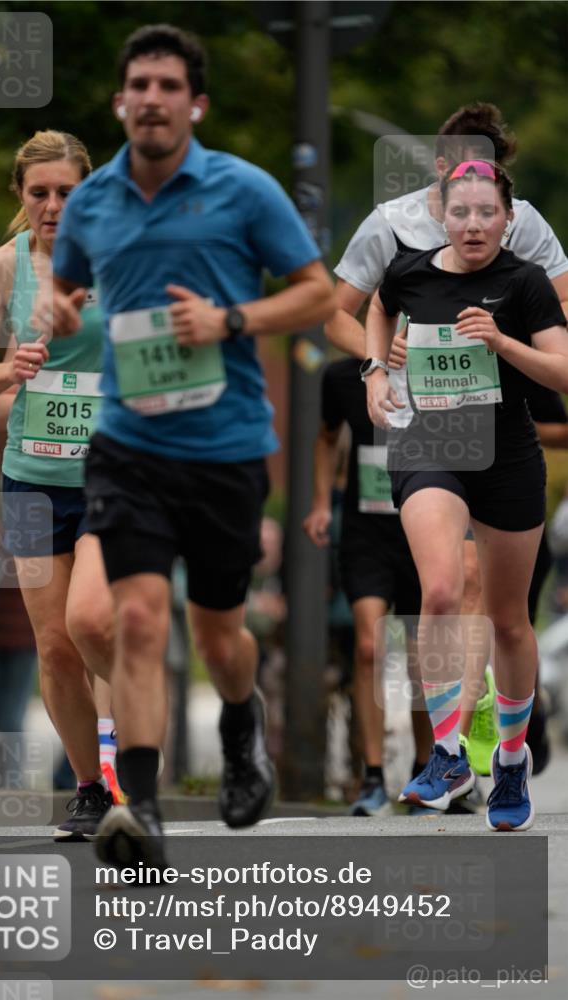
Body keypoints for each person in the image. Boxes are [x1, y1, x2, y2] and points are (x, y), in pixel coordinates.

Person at [39, 24, 335, 869]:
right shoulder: (92, 200)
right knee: (133, 619)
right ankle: (140, 806)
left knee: (217, 636)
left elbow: (314, 294)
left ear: (194, 103)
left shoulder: (243, 190)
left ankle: (242, 729)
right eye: (140, 85)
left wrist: (229, 320)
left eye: (170, 86)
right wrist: (60, 310)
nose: (154, 99)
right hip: (127, 446)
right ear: (120, 101)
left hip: (225, 446)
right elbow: (67, 286)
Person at [327, 102, 568, 778]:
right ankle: (448, 746)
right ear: (437, 173)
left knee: (503, 611)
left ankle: (509, 729)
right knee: (443, 587)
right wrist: (379, 363)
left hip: (506, 428)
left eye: (489, 194)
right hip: (422, 432)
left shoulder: (522, 233)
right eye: (459, 196)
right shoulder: (391, 231)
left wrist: (507, 339)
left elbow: (560, 312)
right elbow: (343, 312)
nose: (473, 215)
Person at [0, 130, 121, 840]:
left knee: (94, 623)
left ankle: (124, 771)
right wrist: (8, 370)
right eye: (39, 193)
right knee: (53, 645)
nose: (54, 206)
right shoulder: (2, 266)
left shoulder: (122, 254)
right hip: (29, 479)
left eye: (67, 192)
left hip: (115, 475)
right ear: (21, 197)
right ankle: (89, 787)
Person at [304, 357, 434, 817]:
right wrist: (322, 503)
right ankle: (373, 776)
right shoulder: (343, 377)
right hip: (366, 534)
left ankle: (427, 769)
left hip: (424, 531)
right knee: (365, 646)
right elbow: (325, 436)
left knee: (422, 659)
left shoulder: (433, 369)